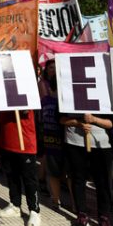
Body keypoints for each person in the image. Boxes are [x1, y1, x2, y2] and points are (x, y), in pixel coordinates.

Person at [60, 112, 113, 226]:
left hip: (101, 145)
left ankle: (104, 215)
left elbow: (111, 123)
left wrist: (94, 119)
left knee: (103, 182)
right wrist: (78, 123)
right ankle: (81, 213)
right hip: (75, 143)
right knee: (78, 179)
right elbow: (61, 119)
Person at [0, 109, 41, 226]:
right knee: (11, 177)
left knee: (29, 179)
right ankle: (15, 205)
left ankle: (34, 210)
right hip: (6, 142)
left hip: (25, 143)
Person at [37, 58, 71, 209]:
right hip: (50, 131)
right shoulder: (43, 85)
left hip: (65, 135)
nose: (52, 70)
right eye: (50, 67)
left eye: (55, 68)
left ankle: (74, 203)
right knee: (50, 161)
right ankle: (54, 196)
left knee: (67, 168)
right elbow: (44, 102)